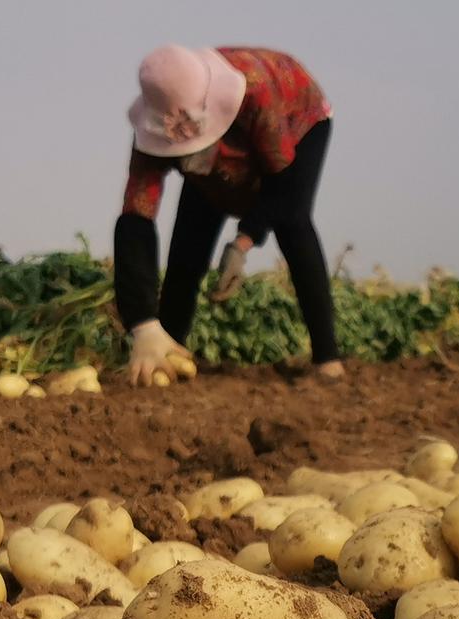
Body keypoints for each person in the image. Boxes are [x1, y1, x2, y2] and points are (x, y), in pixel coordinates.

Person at [114, 45, 341, 385]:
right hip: (215, 150)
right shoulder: (156, 123)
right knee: (188, 244)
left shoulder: (258, 94)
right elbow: (136, 215)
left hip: (297, 120)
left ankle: (328, 360)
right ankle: (168, 348)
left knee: (293, 224)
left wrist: (243, 241)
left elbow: (284, 187)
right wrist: (143, 323)